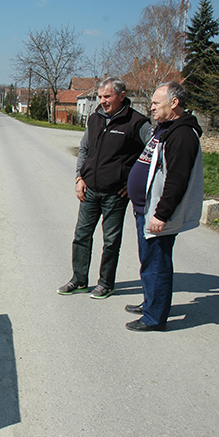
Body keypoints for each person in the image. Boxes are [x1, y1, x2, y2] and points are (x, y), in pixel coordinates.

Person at [58, 78, 153, 299]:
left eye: (107, 96)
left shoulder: (137, 123)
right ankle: (79, 280)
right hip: (89, 189)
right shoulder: (94, 119)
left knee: (111, 240)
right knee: (81, 236)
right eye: (100, 97)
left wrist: (134, 182)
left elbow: (153, 153)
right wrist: (79, 178)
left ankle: (106, 283)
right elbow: (84, 149)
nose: (103, 101)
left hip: (115, 194)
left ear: (122, 96)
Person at [125, 81, 204, 331]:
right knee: (148, 261)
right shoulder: (166, 128)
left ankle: (154, 318)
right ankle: (151, 303)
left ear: (174, 103)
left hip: (157, 213)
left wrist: (161, 214)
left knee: (157, 263)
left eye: (156, 103)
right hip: (144, 209)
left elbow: (177, 180)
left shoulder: (182, 135)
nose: (151, 107)